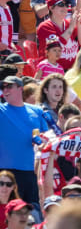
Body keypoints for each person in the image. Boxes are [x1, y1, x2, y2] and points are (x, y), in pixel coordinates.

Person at [0, 75, 48, 205]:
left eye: (9, 86)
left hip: (32, 172)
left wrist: (42, 142)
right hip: (5, 173)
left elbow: (47, 136)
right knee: (8, 210)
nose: (5, 90)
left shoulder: (37, 111)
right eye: (3, 87)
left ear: (20, 88)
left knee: (32, 210)